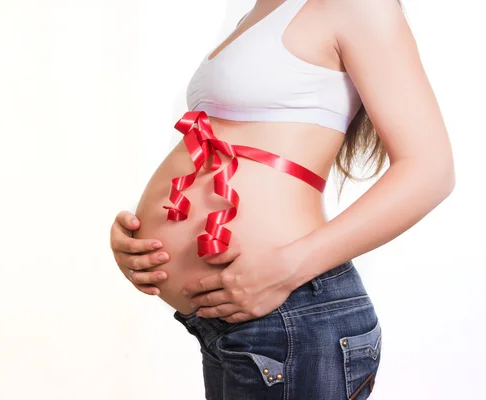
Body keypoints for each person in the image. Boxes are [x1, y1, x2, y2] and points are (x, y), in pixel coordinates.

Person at [111, 0, 455, 398]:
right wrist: (144, 239)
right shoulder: (261, 8)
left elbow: (431, 170)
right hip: (234, 324)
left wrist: (287, 268)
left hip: (290, 317)